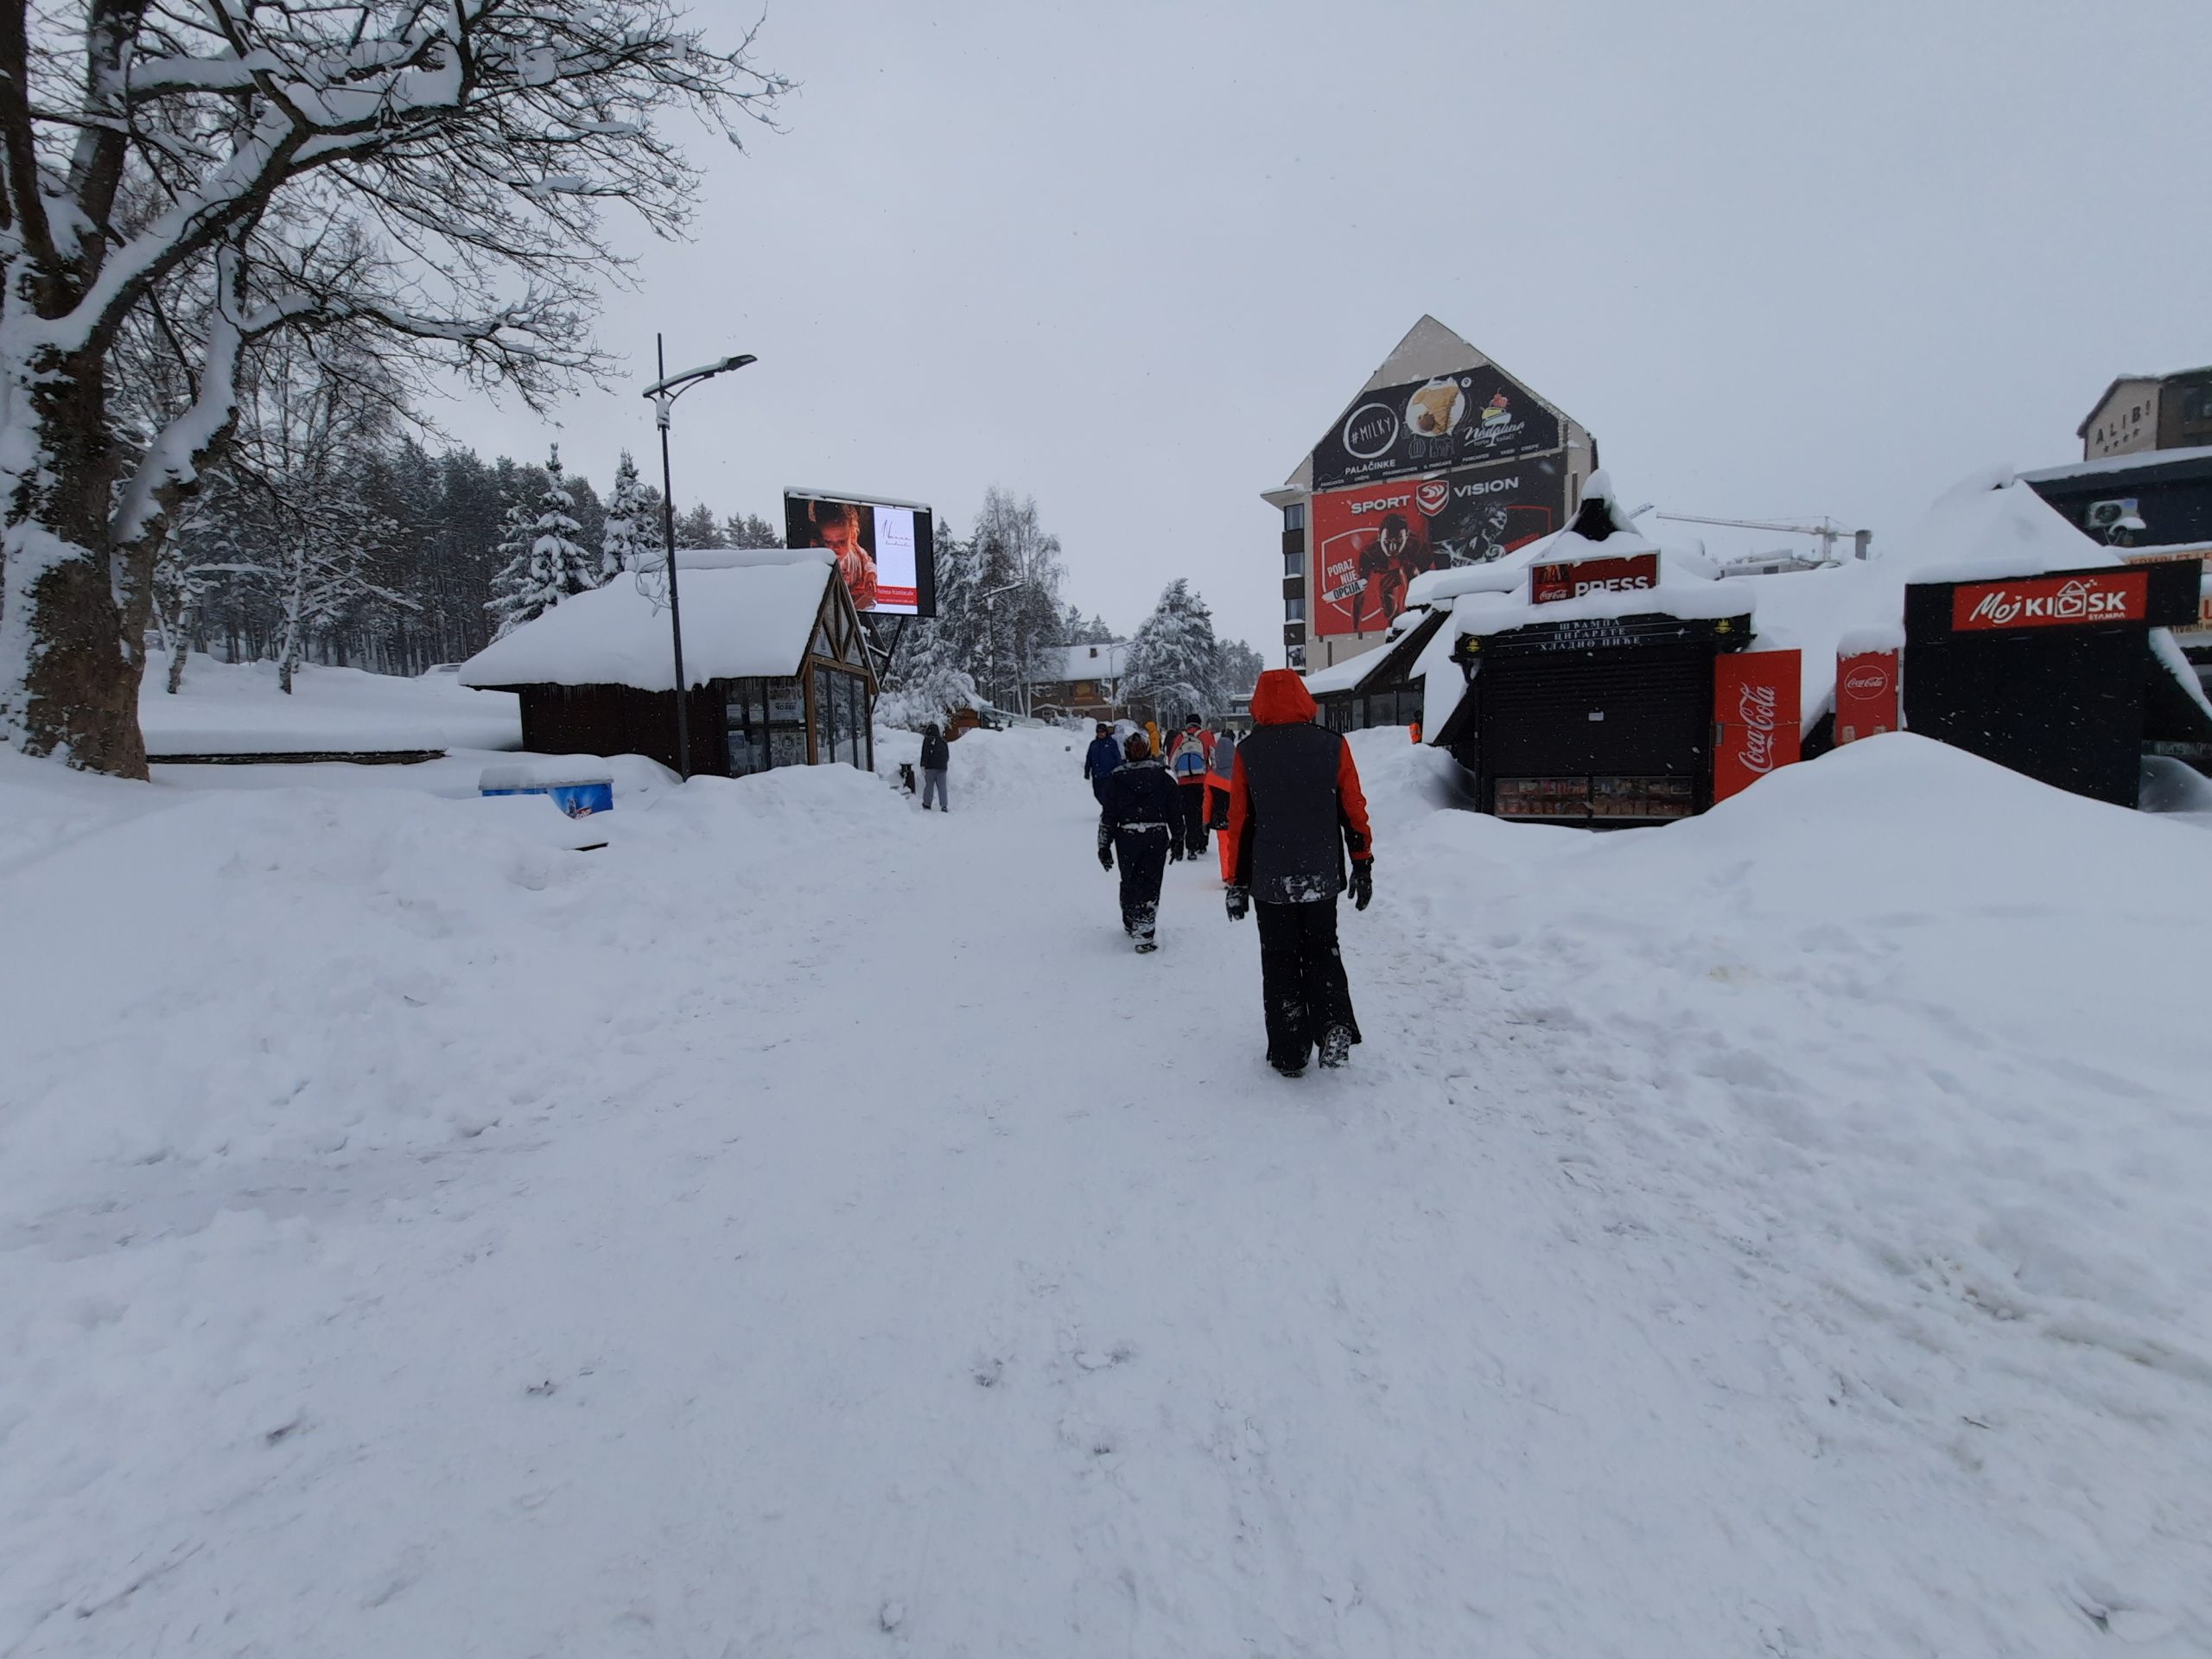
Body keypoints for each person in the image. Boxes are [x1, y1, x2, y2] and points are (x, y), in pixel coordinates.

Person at [1222, 670, 1374, 1077]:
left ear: (1258, 703)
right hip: (1320, 872)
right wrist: (1362, 861)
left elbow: (1240, 821)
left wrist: (1236, 882)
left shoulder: (1249, 752)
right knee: (1323, 948)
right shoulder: (1332, 744)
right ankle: (1333, 1021)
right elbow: (1352, 806)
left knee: (1280, 958)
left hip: (1270, 878)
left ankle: (1290, 1051)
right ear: (1303, 698)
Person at [1096, 732, 1184, 953]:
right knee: (1151, 883)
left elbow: (1108, 816)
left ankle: (1130, 917)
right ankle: (1144, 931)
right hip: (1156, 835)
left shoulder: (1116, 779)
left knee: (1130, 879)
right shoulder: (1163, 777)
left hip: (1127, 837)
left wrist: (1104, 846)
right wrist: (1178, 838)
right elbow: (1175, 812)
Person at [808, 499, 879, 610]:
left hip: (858, 596)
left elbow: (868, 563)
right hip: (840, 605)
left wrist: (871, 575)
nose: (835, 548)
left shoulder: (856, 551)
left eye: (842, 542)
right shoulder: (822, 562)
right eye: (828, 542)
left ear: (852, 534)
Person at [1164, 714, 1215, 856]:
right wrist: (1210, 773)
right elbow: (1215, 757)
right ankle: (1202, 843)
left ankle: (1191, 846)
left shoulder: (1180, 737)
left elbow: (1172, 760)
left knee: (1190, 814)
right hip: (1203, 782)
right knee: (1204, 813)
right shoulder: (1206, 736)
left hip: (1184, 783)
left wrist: (1179, 776)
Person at [1205, 724, 1238, 880]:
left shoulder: (1211, 777)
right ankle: (1239, 873)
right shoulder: (1240, 775)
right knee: (1238, 845)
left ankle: (1227, 875)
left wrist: (1205, 820)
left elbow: (1207, 801)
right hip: (1238, 816)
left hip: (1220, 817)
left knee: (1224, 846)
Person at [1082, 720, 1122, 804]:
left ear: (1106, 732)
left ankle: (1109, 809)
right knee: (1099, 795)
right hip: (1097, 776)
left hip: (1109, 775)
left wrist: (1119, 771)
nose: (1100, 733)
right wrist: (1087, 771)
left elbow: (1117, 757)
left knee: (1110, 797)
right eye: (1098, 732)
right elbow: (1089, 758)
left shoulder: (1112, 743)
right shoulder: (1093, 744)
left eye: (1102, 731)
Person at [918, 721, 950, 811]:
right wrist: (943, 764)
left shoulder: (928, 740)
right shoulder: (943, 741)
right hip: (942, 768)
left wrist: (923, 765)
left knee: (929, 786)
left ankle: (927, 804)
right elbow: (947, 756)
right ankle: (944, 805)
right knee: (942, 787)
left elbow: (925, 753)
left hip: (930, 767)